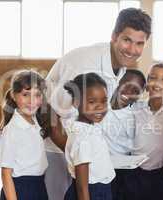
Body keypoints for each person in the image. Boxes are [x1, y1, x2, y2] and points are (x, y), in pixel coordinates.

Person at [44, 8, 152, 200]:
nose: (132, 50)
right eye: (127, 40)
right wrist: (79, 156)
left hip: (78, 149)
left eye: (139, 43)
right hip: (54, 148)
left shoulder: (119, 64)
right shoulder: (85, 66)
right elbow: (51, 117)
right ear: (114, 36)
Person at [129, 62, 163, 200]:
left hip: (161, 174)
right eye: (153, 77)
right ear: (146, 84)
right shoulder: (134, 108)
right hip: (133, 173)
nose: (158, 83)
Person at [63, 73, 115, 200]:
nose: (100, 107)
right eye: (92, 102)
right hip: (90, 193)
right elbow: (82, 187)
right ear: (76, 102)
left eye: (104, 101)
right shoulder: (82, 139)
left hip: (99, 190)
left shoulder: (90, 128)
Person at [0, 70, 49, 200]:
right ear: (13, 96)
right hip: (20, 189)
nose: (32, 101)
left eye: (37, 95)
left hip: (38, 186)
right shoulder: (12, 130)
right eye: (25, 94)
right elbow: (6, 174)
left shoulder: (35, 120)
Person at [101, 69, 146, 200]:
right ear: (117, 82)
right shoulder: (99, 106)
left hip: (125, 172)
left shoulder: (137, 112)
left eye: (136, 91)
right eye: (126, 85)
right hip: (101, 169)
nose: (129, 92)